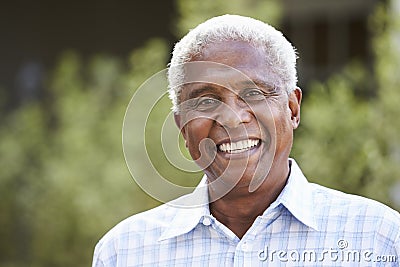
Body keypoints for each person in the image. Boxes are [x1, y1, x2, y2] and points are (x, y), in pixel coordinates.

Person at [92, 15, 399, 266]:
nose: (232, 118)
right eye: (207, 101)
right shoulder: (124, 253)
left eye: (253, 94)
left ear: (292, 109)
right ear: (182, 128)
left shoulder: (379, 239)